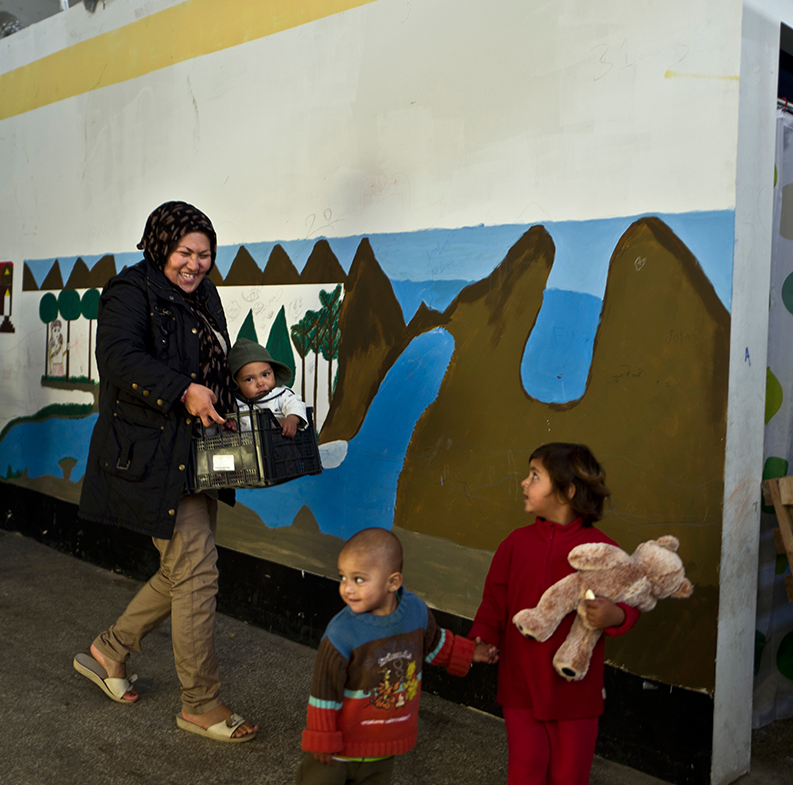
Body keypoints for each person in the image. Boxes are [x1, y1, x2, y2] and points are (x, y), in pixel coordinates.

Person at [75, 201, 258, 743]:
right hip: (151, 456)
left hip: (200, 452)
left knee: (183, 569)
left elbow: (215, 364)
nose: (196, 264)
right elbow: (116, 357)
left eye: (205, 254)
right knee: (196, 572)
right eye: (185, 252)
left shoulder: (204, 296)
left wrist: (255, 388)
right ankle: (200, 704)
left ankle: (109, 649)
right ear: (161, 246)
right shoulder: (131, 290)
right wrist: (181, 390)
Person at [469, 442, 640, 785]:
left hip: (574, 694)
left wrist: (616, 616)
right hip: (520, 686)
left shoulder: (603, 552)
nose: (523, 482)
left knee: (568, 776)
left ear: (567, 491)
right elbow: (494, 601)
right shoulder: (514, 544)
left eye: (535, 475)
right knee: (525, 771)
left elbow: (632, 601)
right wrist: (481, 639)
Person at [297, 528, 496, 785]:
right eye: (343, 577)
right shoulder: (341, 632)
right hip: (337, 752)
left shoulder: (415, 612)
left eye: (358, 579)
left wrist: (471, 653)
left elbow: (435, 643)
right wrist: (322, 737)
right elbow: (324, 691)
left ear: (393, 582)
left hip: (382, 747)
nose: (347, 588)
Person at [228, 338, 307, 437]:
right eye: (249, 379)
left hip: (280, 445)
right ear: (236, 383)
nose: (260, 383)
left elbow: (296, 405)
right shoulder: (235, 403)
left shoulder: (280, 395)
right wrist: (230, 423)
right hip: (249, 449)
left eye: (265, 374)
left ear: (273, 371)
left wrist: (292, 419)